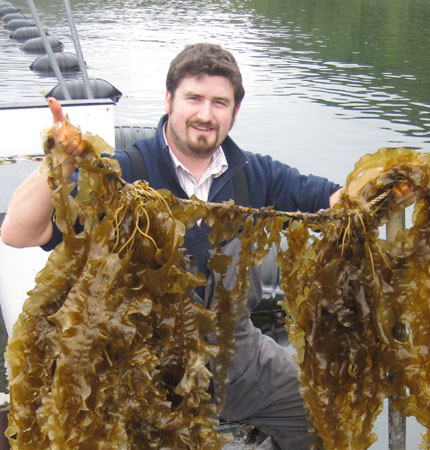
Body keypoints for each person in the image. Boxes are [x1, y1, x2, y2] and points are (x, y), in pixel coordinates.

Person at [2, 43, 342, 449]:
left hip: (237, 357)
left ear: (235, 111)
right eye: (193, 98)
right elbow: (20, 232)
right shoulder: (124, 173)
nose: (205, 114)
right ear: (169, 100)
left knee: (324, 418)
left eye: (220, 102)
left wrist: (391, 184)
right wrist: (58, 162)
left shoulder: (256, 175)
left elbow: (333, 200)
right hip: (142, 366)